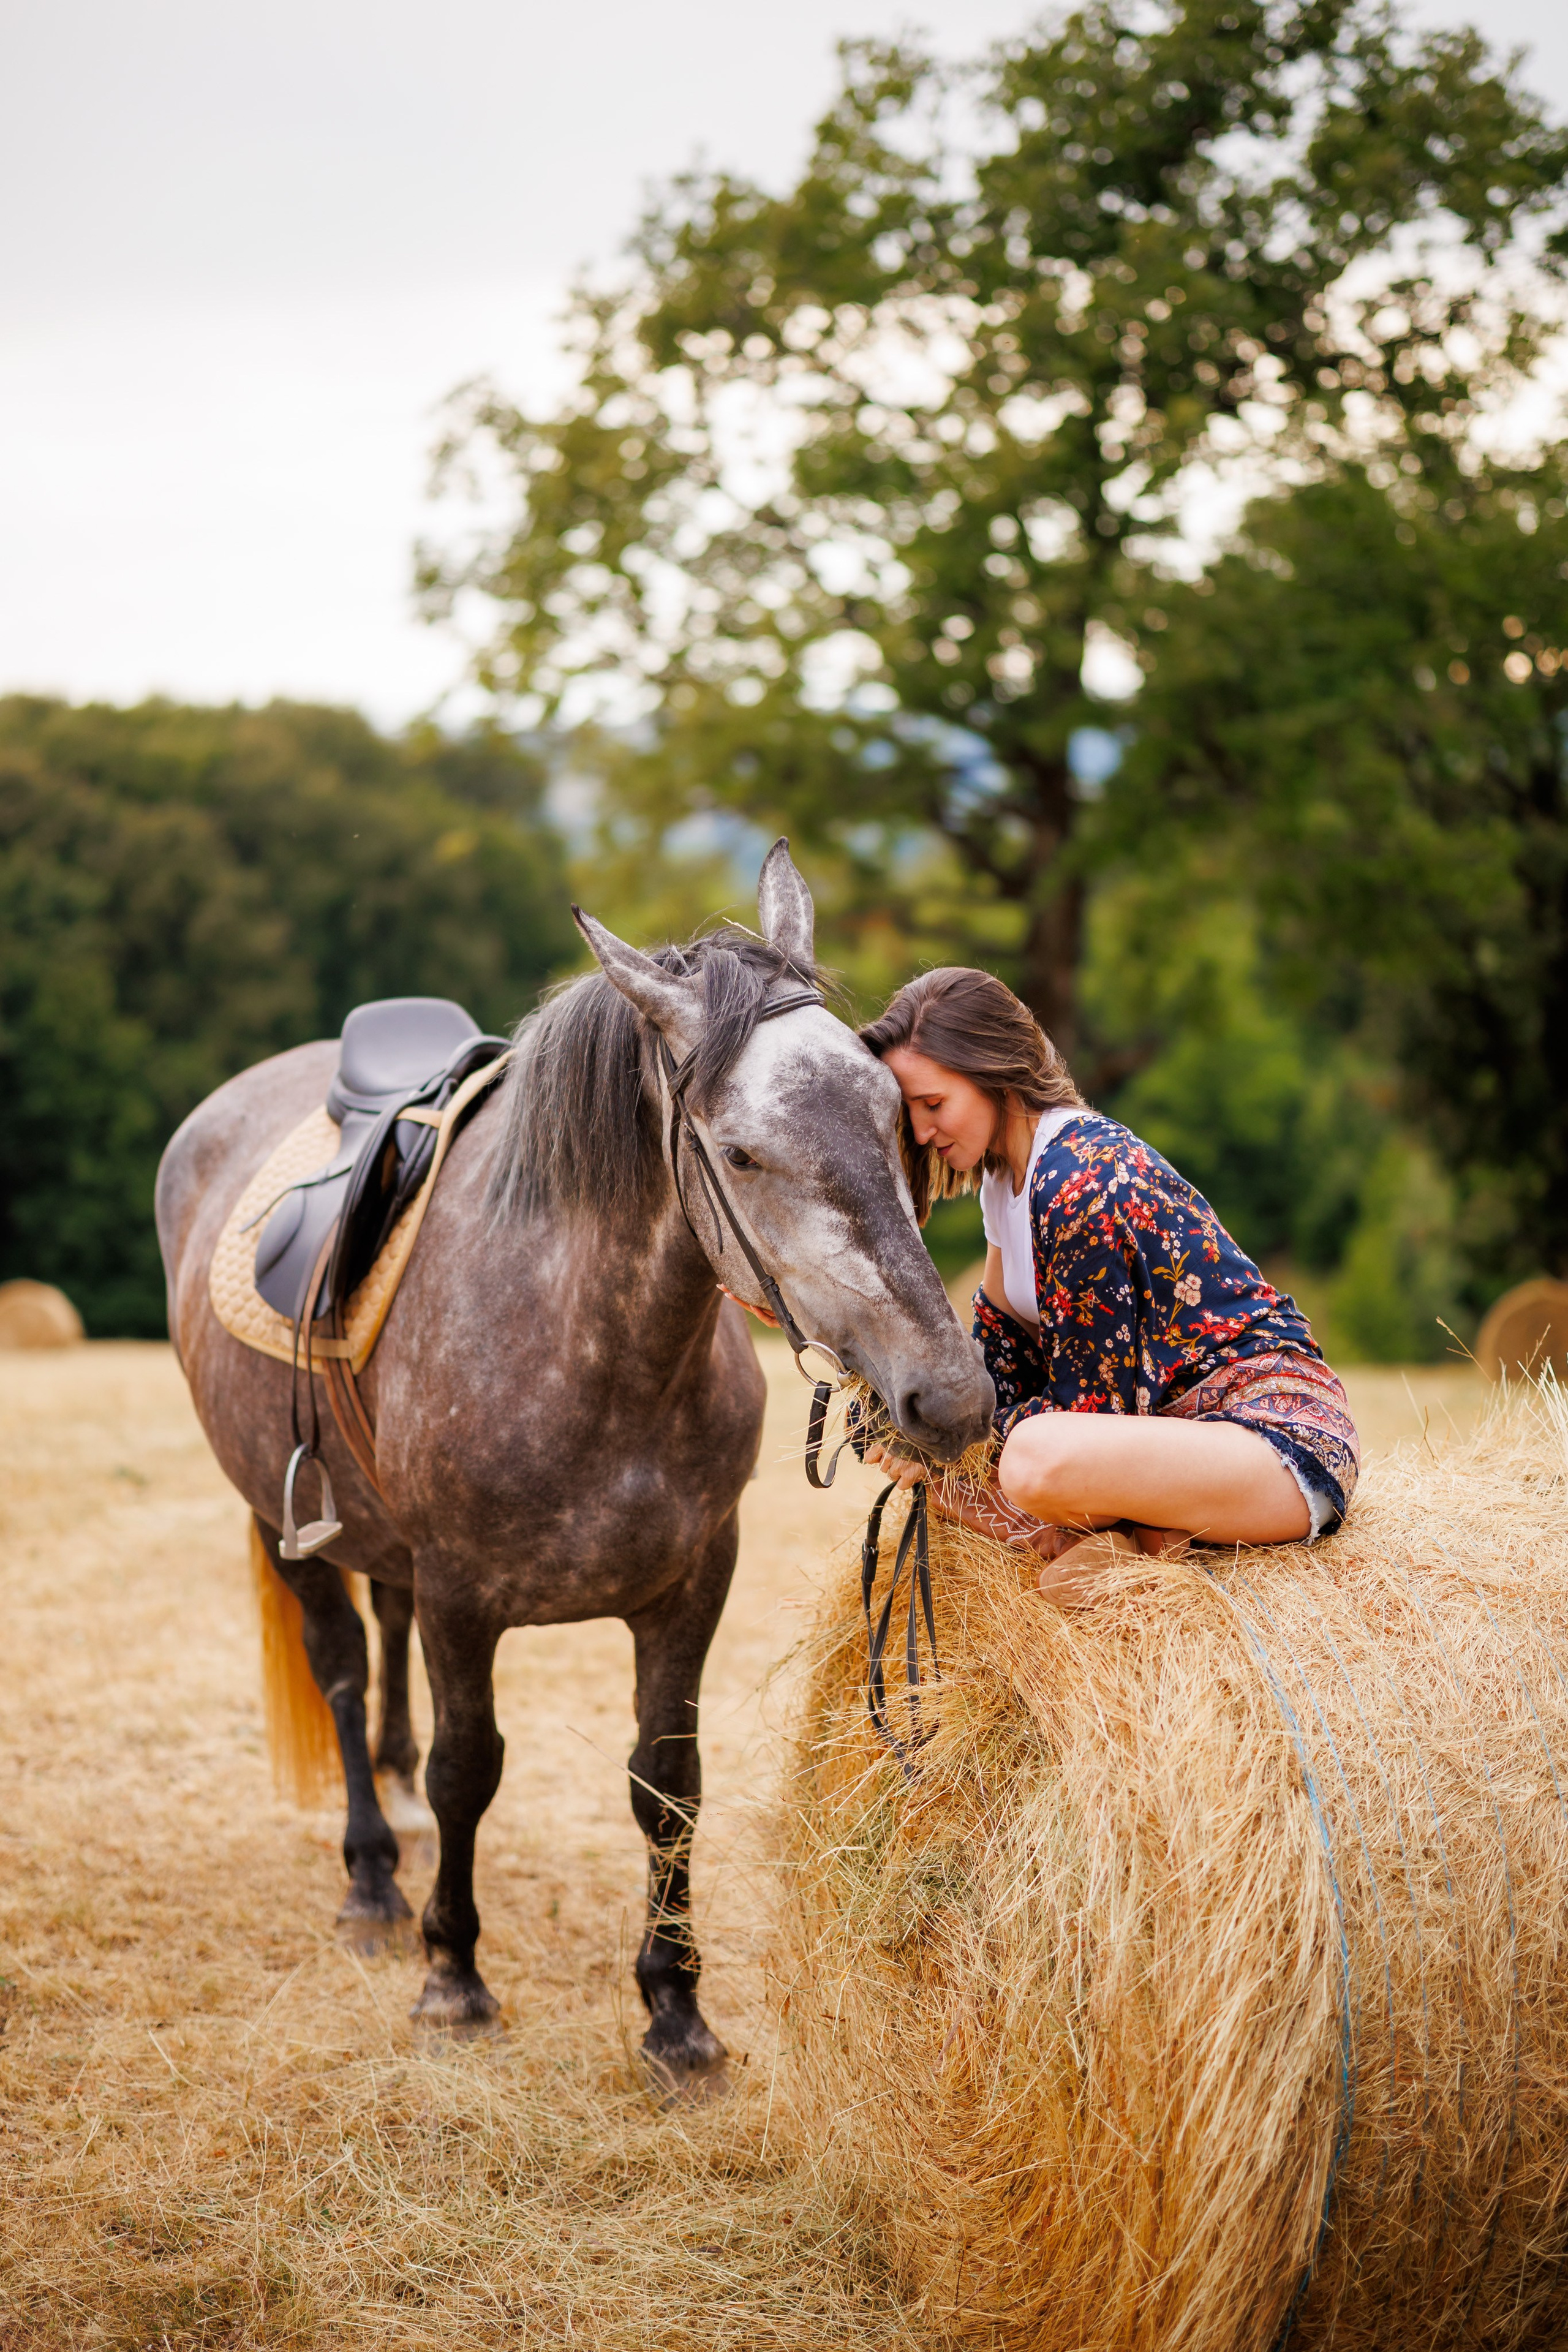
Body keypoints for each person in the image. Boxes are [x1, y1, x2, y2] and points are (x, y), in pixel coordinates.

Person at [859, 967, 1360, 1607]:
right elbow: (1002, 1363)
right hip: (1166, 1455)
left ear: (993, 1073)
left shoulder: (1079, 1180)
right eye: (911, 1112)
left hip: (1272, 1446)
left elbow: (1090, 1415)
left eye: (934, 1104)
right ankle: (1138, 1544)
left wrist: (950, 1447)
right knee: (962, 1482)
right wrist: (911, 1424)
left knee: (1034, 1457)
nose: (923, 1131)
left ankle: (1119, 1541)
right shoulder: (1004, 1187)